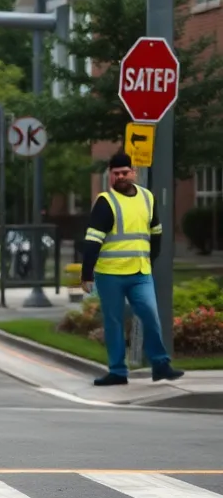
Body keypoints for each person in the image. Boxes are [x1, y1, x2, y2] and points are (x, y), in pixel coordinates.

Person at [81, 152, 184, 386]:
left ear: (133, 173)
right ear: (110, 175)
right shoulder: (106, 202)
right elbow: (92, 241)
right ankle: (118, 372)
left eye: (124, 172)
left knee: (151, 315)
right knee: (114, 322)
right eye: (116, 173)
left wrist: (151, 259)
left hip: (140, 272)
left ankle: (160, 365)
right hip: (110, 274)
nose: (120, 177)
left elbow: (156, 232)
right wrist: (86, 274)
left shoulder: (147, 198)